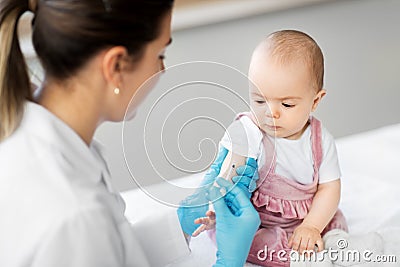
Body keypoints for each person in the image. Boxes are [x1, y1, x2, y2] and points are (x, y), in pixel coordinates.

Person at [0, 0, 260, 266]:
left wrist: (179, 222)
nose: (162, 70)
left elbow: (107, 250)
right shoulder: (75, 215)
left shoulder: (31, 127)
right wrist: (228, 262)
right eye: (160, 55)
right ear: (116, 66)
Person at [191, 30, 349, 266]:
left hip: (307, 218)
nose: (270, 112)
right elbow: (227, 180)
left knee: (334, 218)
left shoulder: (320, 139)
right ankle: (299, 256)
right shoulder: (250, 132)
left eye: (286, 104)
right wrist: (219, 211)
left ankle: (337, 244)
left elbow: (329, 188)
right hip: (261, 222)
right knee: (255, 242)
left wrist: (312, 225)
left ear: (315, 101)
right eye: (259, 100)